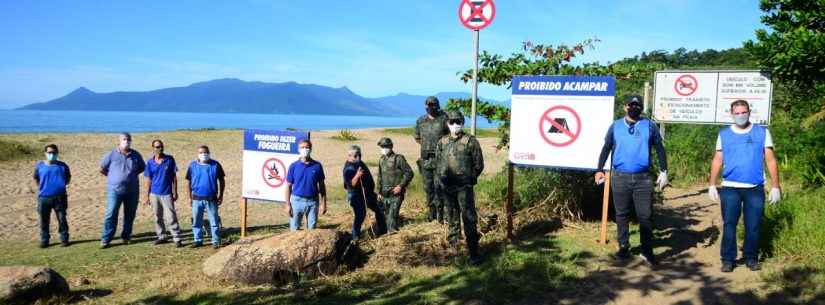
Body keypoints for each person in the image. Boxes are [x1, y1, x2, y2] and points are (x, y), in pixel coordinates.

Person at [708, 99, 781, 273]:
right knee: (729, 224)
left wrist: (776, 186)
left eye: (743, 112)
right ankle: (727, 259)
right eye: (737, 113)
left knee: (753, 225)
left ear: (749, 112)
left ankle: (751, 257)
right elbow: (718, 159)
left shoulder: (762, 132)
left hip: (755, 188)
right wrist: (712, 184)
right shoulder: (724, 134)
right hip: (730, 187)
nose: (741, 115)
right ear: (731, 114)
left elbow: (770, 160)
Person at [595, 95, 668, 265]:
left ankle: (647, 250)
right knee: (621, 214)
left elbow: (659, 148)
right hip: (620, 177)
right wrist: (599, 170)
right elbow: (606, 148)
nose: (634, 107)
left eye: (638, 105)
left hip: (643, 179)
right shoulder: (615, 126)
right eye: (631, 105)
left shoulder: (650, 126)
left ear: (641, 108)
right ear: (625, 107)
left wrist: (664, 171)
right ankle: (623, 247)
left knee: (645, 215)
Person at [436, 110, 485, 265]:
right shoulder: (442, 142)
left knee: (469, 218)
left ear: (462, 123)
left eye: (458, 122)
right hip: (447, 187)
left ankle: (473, 253)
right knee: (451, 217)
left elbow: (479, 164)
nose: (455, 125)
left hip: (464, 187)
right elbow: (438, 164)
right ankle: (454, 251)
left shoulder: (470, 141)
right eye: (452, 122)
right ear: (447, 124)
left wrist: (469, 179)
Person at [99, 132, 145, 248]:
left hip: (132, 190)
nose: (126, 141)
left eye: (128, 139)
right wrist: (113, 177)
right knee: (111, 214)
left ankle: (126, 236)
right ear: (119, 141)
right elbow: (102, 169)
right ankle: (106, 238)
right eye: (124, 139)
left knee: (130, 214)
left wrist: (131, 176)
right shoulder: (111, 154)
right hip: (114, 190)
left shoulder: (136, 155)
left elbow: (141, 168)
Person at [414, 96, 449, 222]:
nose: (430, 107)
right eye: (428, 105)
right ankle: (431, 213)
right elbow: (417, 137)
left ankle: (442, 213)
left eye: (432, 105)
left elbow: (450, 135)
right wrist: (427, 145)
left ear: (437, 105)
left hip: (440, 158)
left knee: (440, 186)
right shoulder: (421, 120)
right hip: (425, 159)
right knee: (428, 188)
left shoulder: (444, 118)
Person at [342, 144, 387, 241]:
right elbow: (350, 185)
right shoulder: (348, 168)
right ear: (349, 156)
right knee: (360, 215)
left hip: (368, 193)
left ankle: (383, 230)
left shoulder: (359, 163)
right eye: (355, 155)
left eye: (359, 155)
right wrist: (357, 175)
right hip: (357, 195)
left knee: (379, 208)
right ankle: (355, 237)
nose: (358, 157)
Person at [143, 139, 183, 247]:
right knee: (157, 216)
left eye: (161, 146)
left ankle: (177, 238)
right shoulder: (150, 163)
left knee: (171, 216)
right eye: (157, 147)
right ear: (153, 148)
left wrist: (175, 191)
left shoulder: (169, 160)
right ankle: (162, 236)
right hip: (154, 194)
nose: (160, 148)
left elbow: (174, 177)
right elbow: (148, 180)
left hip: (166, 193)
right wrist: (147, 196)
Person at [185, 145, 225, 248]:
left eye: (205, 152)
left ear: (209, 153)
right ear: (198, 154)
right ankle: (198, 240)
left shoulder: (215, 165)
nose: (203, 154)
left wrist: (221, 195)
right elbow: (188, 182)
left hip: (211, 198)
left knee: (214, 221)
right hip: (196, 198)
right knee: (196, 221)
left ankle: (215, 241)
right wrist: (190, 197)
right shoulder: (192, 166)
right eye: (201, 152)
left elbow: (221, 180)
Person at [32, 144, 71, 248]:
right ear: (45, 153)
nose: (52, 154)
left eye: (54, 152)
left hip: (60, 197)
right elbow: (36, 178)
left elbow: (68, 178)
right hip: (44, 198)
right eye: (49, 152)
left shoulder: (63, 166)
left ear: (57, 153)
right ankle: (44, 240)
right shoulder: (40, 165)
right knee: (44, 220)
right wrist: (42, 187)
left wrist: (60, 186)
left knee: (62, 219)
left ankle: (64, 239)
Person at [284, 139, 327, 231]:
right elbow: (288, 186)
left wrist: (324, 203)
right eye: (302, 147)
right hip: (296, 201)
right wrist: (288, 205)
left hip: (313, 202)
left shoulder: (317, 165)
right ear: (298, 149)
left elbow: (322, 186)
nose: (305, 149)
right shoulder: (294, 166)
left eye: (307, 147)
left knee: (312, 229)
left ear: (311, 149)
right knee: (294, 229)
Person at [376, 138, 414, 233]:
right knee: (384, 217)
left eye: (386, 146)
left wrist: (400, 186)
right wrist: (378, 192)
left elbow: (409, 173)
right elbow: (379, 177)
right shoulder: (381, 160)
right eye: (382, 147)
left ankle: (392, 235)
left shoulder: (399, 158)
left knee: (392, 218)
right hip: (384, 193)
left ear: (391, 146)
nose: (384, 148)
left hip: (396, 193)